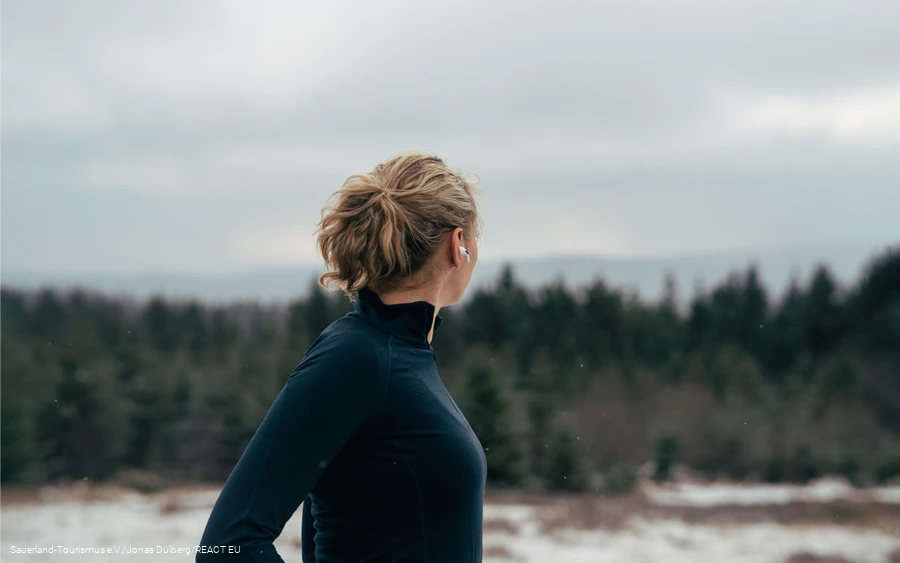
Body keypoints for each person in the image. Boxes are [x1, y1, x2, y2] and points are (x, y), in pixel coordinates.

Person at [196, 152, 488, 563]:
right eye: (477, 238)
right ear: (458, 245)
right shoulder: (359, 357)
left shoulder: (396, 354)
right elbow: (227, 547)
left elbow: (325, 534)